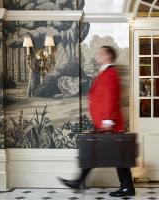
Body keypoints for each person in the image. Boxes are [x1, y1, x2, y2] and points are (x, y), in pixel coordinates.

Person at [58, 46, 135, 197]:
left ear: (108, 56)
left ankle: (126, 187)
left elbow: (111, 97)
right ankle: (80, 181)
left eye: (100, 54)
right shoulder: (106, 72)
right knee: (99, 152)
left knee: (114, 155)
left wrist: (107, 120)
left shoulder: (110, 73)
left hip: (108, 123)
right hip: (103, 122)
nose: (97, 56)